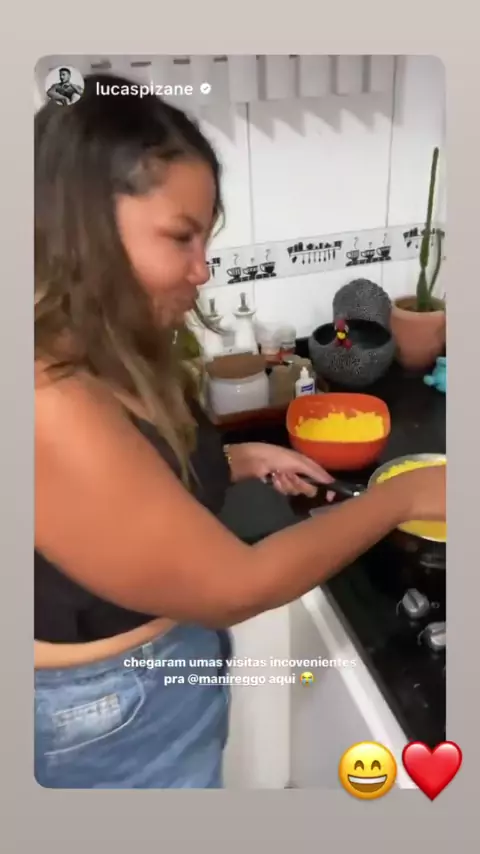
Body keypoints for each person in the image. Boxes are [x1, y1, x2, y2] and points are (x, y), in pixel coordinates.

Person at [34, 73, 446, 789]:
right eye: (180, 237)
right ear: (82, 228)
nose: (202, 270)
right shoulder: (46, 396)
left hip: (145, 678)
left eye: (206, 237)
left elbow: (124, 478)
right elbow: (236, 584)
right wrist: (403, 499)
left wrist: (237, 457)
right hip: (107, 712)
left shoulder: (101, 347)